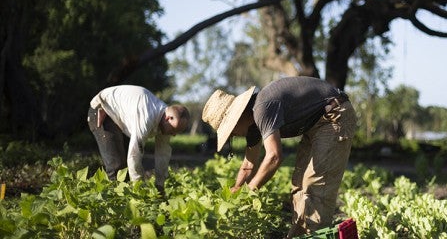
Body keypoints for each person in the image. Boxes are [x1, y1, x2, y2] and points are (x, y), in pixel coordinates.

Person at [201, 76, 357, 237]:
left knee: (316, 185)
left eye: (231, 131)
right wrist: (236, 188)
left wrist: (250, 190)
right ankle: (298, 236)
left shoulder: (262, 108)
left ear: (238, 117)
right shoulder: (252, 125)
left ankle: (316, 234)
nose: (233, 135)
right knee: (299, 185)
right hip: (316, 124)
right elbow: (248, 164)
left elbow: (274, 157)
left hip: (334, 115)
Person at [87, 85, 190, 194]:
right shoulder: (146, 118)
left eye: (177, 132)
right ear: (167, 118)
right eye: (174, 130)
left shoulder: (166, 120)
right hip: (102, 109)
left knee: (126, 169)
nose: (173, 135)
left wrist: (160, 186)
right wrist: (139, 189)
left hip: (121, 117)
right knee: (117, 167)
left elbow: (162, 154)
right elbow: (134, 156)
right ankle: (116, 203)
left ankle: (127, 201)